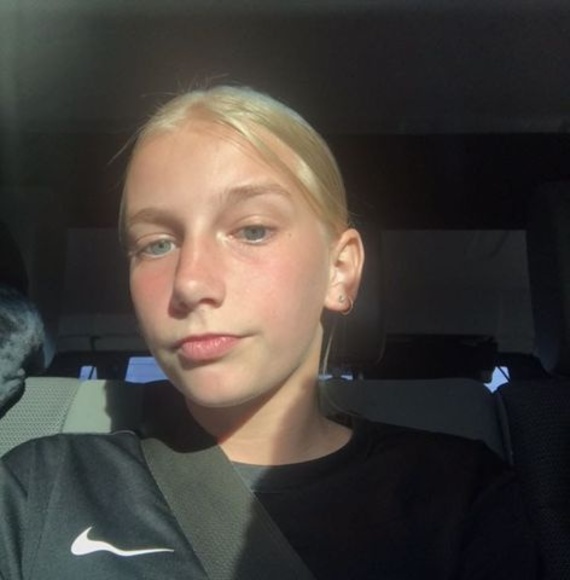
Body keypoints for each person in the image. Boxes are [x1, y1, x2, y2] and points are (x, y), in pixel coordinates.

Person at [0, 85, 539, 579]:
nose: (189, 282)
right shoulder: (37, 489)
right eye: (157, 244)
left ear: (339, 271)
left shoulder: (461, 496)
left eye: (253, 230)